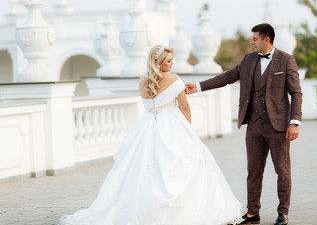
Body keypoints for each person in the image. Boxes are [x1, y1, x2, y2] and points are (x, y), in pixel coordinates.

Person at [59, 44, 243, 225]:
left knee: (144, 168)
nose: (172, 63)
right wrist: (188, 129)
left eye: (172, 60)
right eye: (168, 61)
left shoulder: (142, 80)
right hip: (172, 124)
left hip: (148, 125)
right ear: (159, 62)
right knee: (182, 166)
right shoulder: (173, 79)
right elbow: (184, 106)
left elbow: (149, 103)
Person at [186, 23, 302, 225]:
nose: (251, 42)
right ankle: (252, 214)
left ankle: (283, 213)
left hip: (279, 126)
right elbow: (228, 77)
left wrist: (295, 122)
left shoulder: (286, 60)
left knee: (282, 171)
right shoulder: (248, 59)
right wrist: (197, 86)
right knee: (253, 171)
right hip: (254, 125)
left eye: (255, 38)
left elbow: (296, 92)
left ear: (267, 39)